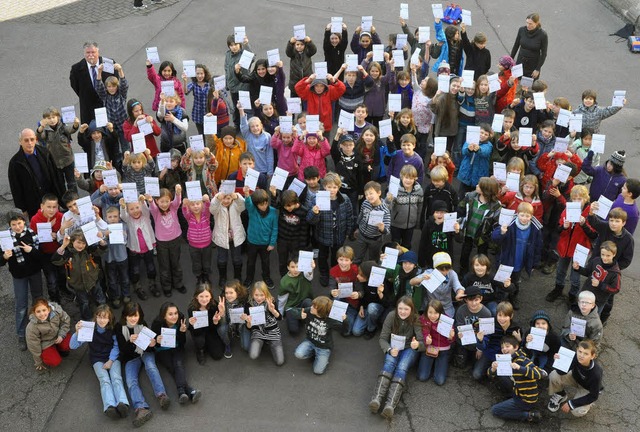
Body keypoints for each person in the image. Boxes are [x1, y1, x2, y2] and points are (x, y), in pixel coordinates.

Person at [69, 305, 130, 420]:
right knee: (104, 380)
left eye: (105, 317)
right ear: (95, 317)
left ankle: (123, 403)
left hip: (113, 357)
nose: (102, 320)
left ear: (110, 318)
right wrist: (76, 333)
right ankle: (109, 406)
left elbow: (116, 346)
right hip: (97, 358)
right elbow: (72, 346)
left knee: (116, 378)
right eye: (99, 317)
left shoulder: (113, 329)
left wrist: (111, 361)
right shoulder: (89, 329)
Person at [115, 302, 170, 427]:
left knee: (151, 367)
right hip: (131, 357)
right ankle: (141, 408)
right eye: (130, 316)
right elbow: (123, 350)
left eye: (136, 315)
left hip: (144, 352)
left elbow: (149, 347)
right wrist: (130, 341)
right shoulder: (119, 327)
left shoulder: (143, 324)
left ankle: (162, 395)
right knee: (130, 381)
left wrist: (152, 345)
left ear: (140, 315)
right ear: (125, 316)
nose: (133, 318)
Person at [369, 296, 424, 419]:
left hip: (409, 347)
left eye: (406, 309)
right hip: (394, 346)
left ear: (411, 309)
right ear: (397, 308)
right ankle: (377, 399)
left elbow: (422, 342)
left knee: (402, 367)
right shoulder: (391, 316)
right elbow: (383, 338)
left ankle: (390, 404)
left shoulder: (416, 318)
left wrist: (417, 345)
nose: (403, 312)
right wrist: (389, 349)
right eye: (400, 308)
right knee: (389, 364)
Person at [2, 209, 43, 351]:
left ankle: (40, 328)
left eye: (19, 223)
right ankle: (22, 334)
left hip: (34, 272)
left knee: (38, 300)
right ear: (9, 225)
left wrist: (31, 251)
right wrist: (5, 257)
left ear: (23, 222)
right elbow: (1, 261)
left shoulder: (32, 234)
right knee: (21, 305)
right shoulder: (5, 239)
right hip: (18, 275)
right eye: (14, 224)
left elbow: (40, 256)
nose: (17, 227)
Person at [151, 302, 202, 405]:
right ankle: (189, 390)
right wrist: (157, 340)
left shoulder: (181, 319)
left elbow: (182, 342)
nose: (174, 316)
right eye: (170, 314)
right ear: (164, 316)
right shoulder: (157, 324)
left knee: (178, 365)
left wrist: (182, 332)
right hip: (162, 350)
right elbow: (153, 344)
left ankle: (181, 392)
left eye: (175, 313)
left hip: (177, 347)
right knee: (172, 367)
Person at [8, 129, 64, 219]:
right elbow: (16, 188)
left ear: (36, 139)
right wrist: (23, 209)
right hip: (32, 204)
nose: (29, 143)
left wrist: (61, 199)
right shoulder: (15, 162)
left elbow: (56, 176)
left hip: (51, 200)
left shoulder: (45, 153)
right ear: (20, 142)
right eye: (26, 140)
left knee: (56, 225)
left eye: (32, 139)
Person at [489, 335, 545, 423]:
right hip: (518, 391)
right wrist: (493, 369)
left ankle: (529, 415)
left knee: (495, 411)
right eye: (502, 347)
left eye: (507, 346)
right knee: (500, 376)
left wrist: (520, 368)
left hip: (526, 399)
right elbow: (490, 375)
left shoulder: (522, 360)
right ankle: (510, 397)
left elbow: (542, 374)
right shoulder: (506, 360)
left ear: (516, 347)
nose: (504, 349)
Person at [291, 296, 347, 375]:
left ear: (320, 311)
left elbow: (344, 330)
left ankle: (322, 356)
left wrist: (345, 320)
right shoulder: (309, 311)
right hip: (310, 341)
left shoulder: (330, 320)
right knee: (298, 354)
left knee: (318, 371)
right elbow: (291, 311)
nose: (311, 307)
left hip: (323, 347)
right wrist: (298, 314)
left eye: (314, 307)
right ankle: (313, 353)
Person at [547, 339, 603, 417]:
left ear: (592, 356)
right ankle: (561, 394)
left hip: (587, 389)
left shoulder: (596, 373)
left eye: (586, 354)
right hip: (576, 379)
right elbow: (561, 372)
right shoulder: (576, 357)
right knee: (554, 375)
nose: (581, 356)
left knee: (577, 411)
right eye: (580, 351)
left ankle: (587, 404)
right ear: (577, 350)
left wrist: (571, 404)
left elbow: (594, 396)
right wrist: (557, 362)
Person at [149, 186, 185, 297]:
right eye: (161, 201)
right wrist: (150, 200)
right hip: (162, 243)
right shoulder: (155, 211)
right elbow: (152, 206)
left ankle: (178, 283)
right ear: (157, 201)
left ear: (170, 201)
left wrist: (178, 192)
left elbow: (177, 201)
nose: (164, 204)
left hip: (175, 239)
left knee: (176, 263)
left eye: (167, 201)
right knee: (164, 266)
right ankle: (166, 286)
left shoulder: (173, 207)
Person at [69, 42, 116, 123]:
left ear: (98, 52)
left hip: (108, 107)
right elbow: (76, 87)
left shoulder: (108, 63)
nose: (91, 55)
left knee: (110, 132)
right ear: (84, 53)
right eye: (88, 52)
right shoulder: (76, 69)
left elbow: (116, 82)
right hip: (88, 109)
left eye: (93, 52)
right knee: (91, 133)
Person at [242, 281, 285, 366]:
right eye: (256, 295)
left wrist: (273, 310)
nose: (259, 298)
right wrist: (248, 322)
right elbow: (249, 328)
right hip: (258, 331)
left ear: (266, 294)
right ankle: (263, 342)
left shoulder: (271, 301)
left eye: (262, 295)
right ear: (252, 294)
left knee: (280, 362)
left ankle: (273, 343)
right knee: (253, 355)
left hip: (272, 330)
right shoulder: (248, 304)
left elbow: (280, 318)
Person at [417, 299, 455, 385]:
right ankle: (431, 364)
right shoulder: (423, 318)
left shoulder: (447, 320)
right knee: (422, 377)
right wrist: (426, 339)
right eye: (430, 312)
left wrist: (451, 337)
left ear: (440, 312)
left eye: (436, 313)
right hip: (429, 348)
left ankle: (439, 364)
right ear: (426, 311)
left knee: (440, 381)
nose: (433, 316)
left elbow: (451, 340)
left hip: (443, 349)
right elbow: (423, 333)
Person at [25, 298, 71, 370]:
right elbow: (33, 345)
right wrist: (38, 362)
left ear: (48, 309)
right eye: (38, 311)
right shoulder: (32, 327)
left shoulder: (57, 311)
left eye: (44, 310)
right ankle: (52, 350)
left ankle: (60, 348)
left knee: (69, 343)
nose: (42, 314)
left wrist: (61, 335)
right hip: (46, 343)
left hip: (58, 335)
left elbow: (66, 321)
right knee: (54, 361)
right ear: (34, 312)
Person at [187, 283, 225, 363]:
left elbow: (215, 327)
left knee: (218, 355)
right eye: (201, 296)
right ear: (196, 297)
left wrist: (215, 321)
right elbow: (195, 331)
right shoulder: (192, 308)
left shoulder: (214, 305)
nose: (204, 299)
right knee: (200, 341)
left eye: (207, 296)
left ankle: (208, 344)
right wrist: (192, 325)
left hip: (210, 330)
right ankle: (200, 350)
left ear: (211, 296)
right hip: (198, 331)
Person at [277, 254, 315, 336]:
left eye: (298, 267)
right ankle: (298, 316)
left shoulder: (304, 273)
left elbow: (309, 276)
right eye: (292, 267)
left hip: (303, 302)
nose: (296, 270)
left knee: (309, 302)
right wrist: (280, 314)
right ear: (288, 267)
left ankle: (302, 317)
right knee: (294, 331)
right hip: (292, 306)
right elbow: (282, 299)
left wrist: (311, 268)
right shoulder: (284, 282)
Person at [510, 13, 548, 78]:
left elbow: (544, 54)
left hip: (532, 65)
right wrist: (510, 60)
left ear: (536, 23)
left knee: (526, 85)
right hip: (520, 62)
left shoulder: (543, 35)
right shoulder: (521, 30)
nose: (528, 25)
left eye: (530, 24)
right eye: (527, 22)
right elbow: (516, 46)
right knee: (516, 82)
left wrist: (537, 69)